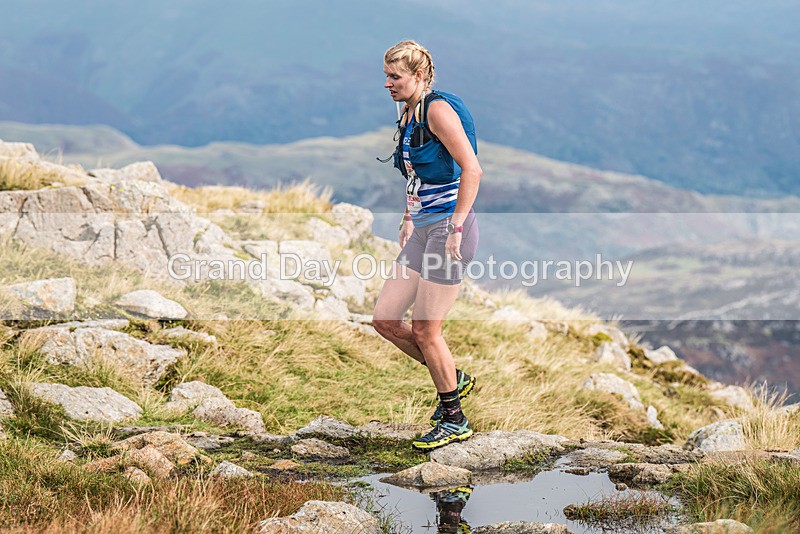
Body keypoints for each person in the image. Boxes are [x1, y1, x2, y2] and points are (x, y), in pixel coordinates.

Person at [373, 40, 482, 450]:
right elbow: (416, 175)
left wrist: (456, 226)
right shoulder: (408, 112)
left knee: (425, 328)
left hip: (448, 230)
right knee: (385, 319)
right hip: (422, 228)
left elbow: (472, 168)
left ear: (419, 76)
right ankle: (454, 378)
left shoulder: (436, 110)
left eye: (395, 76)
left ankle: (454, 418)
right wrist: (407, 216)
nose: (387, 83)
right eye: (386, 76)